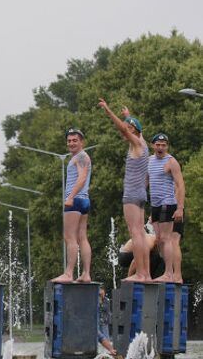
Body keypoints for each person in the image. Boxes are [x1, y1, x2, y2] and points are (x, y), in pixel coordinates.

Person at [99, 99, 150, 282]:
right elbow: (131, 127)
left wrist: (108, 111)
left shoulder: (136, 143)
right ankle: (146, 273)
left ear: (133, 130)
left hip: (131, 194)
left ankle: (142, 273)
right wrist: (129, 116)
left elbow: (122, 128)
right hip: (141, 194)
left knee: (135, 233)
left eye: (128, 128)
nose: (124, 131)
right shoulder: (143, 143)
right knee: (141, 234)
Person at [52, 128, 92, 283]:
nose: (71, 143)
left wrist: (70, 197)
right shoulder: (78, 157)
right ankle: (86, 274)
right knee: (82, 237)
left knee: (70, 237)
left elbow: (81, 178)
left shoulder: (81, 156)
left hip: (75, 201)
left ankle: (68, 273)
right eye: (69, 141)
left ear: (81, 142)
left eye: (75, 140)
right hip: (84, 201)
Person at [148, 133, 185, 283]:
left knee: (167, 238)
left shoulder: (171, 162)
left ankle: (169, 273)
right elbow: (145, 181)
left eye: (163, 145)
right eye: (158, 144)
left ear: (167, 146)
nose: (160, 147)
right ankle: (168, 271)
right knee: (159, 240)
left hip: (168, 203)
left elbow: (181, 185)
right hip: (155, 205)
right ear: (153, 146)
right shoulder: (149, 161)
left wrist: (180, 208)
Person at [98, 287, 117, 357]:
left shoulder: (107, 300)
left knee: (105, 337)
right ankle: (100, 352)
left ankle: (108, 351)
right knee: (98, 336)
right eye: (100, 293)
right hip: (98, 321)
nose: (101, 294)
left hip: (104, 321)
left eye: (102, 293)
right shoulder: (96, 300)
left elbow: (106, 309)